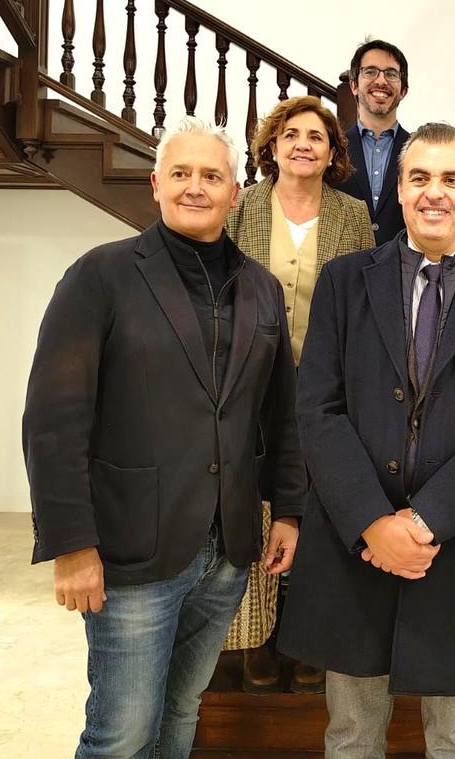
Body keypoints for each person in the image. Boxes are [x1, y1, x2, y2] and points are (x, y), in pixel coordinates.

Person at [22, 116, 304, 759]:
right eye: (181, 173)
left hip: (228, 551)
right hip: (130, 549)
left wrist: (289, 509)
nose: (195, 187)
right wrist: (71, 545)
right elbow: (53, 419)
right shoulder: (100, 275)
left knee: (182, 711)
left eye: (211, 176)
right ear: (156, 184)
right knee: (121, 734)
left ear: (235, 192)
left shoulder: (261, 288)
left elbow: (280, 413)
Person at [278, 123, 455, 758]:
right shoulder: (343, 282)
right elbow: (319, 408)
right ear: (398, 189)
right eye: (419, 177)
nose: (434, 192)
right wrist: (374, 522)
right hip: (357, 541)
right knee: (351, 733)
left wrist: (423, 522)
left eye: (452, 179)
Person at [222, 95, 374, 694]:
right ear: (272, 146)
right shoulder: (244, 206)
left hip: (326, 383)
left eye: (316, 136)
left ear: (333, 152)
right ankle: (258, 636)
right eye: (292, 135)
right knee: (260, 505)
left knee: (319, 506)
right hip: (252, 382)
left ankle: (309, 635)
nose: (303, 145)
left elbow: (362, 301)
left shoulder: (352, 214)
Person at [337, 39, 412, 246]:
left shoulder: (418, 150)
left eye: (391, 74)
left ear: (403, 90)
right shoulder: (333, 149)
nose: (381, 81)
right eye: (370, 72)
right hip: (345, 261)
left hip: (403, 261)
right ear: (354, 85)